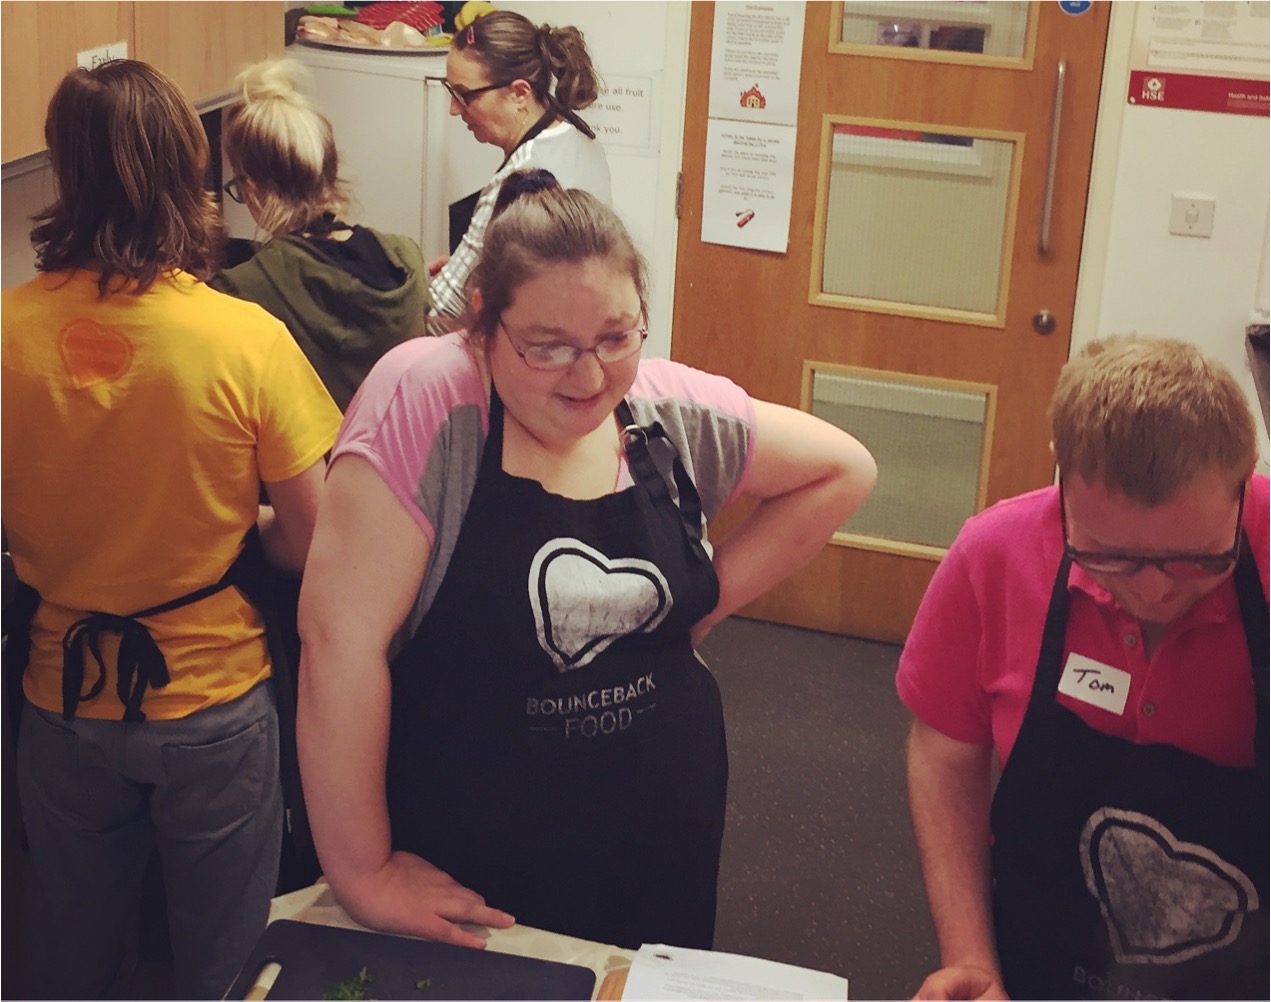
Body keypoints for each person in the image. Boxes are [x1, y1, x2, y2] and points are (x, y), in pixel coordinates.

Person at [296, 170, 878, 952]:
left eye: (615, 337)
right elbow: (339, 646)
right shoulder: (427, 404)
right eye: (548, 348)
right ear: (481, 325)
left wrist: (698, 608)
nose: (590, 376)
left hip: (656, 828)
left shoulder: (664, 412)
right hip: (472, 840)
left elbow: (843, 470)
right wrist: (361, 871)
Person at [0, 60, 342, 999]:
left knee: (68, 952)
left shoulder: (6, 333)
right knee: (225, 959)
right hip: (213, 698)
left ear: (69, 171)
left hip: (58, 693)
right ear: (189, 170)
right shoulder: (243, 339)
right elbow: (314, 541)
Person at [898, 335, 1268, 1000]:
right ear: (1060, 483)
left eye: (1197, 558)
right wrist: (971, 963)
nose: (1154, 591)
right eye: (1111, 556)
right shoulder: (995, 557)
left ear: (1244, 481)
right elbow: (945, 756)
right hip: (1037, 962)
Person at [209, 56, 431, 413]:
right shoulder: (406, 258)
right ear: (329, 170)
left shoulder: (241, 291)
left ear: (252, 188)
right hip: (402, 463)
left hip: (307, 466)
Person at [426, 9, 612, 328]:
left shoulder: (520, 179)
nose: (454, 109)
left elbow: (443, 309)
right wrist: (471, 268)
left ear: (519, 93)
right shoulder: (581, 138)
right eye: (450, 90)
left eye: (464, 94)